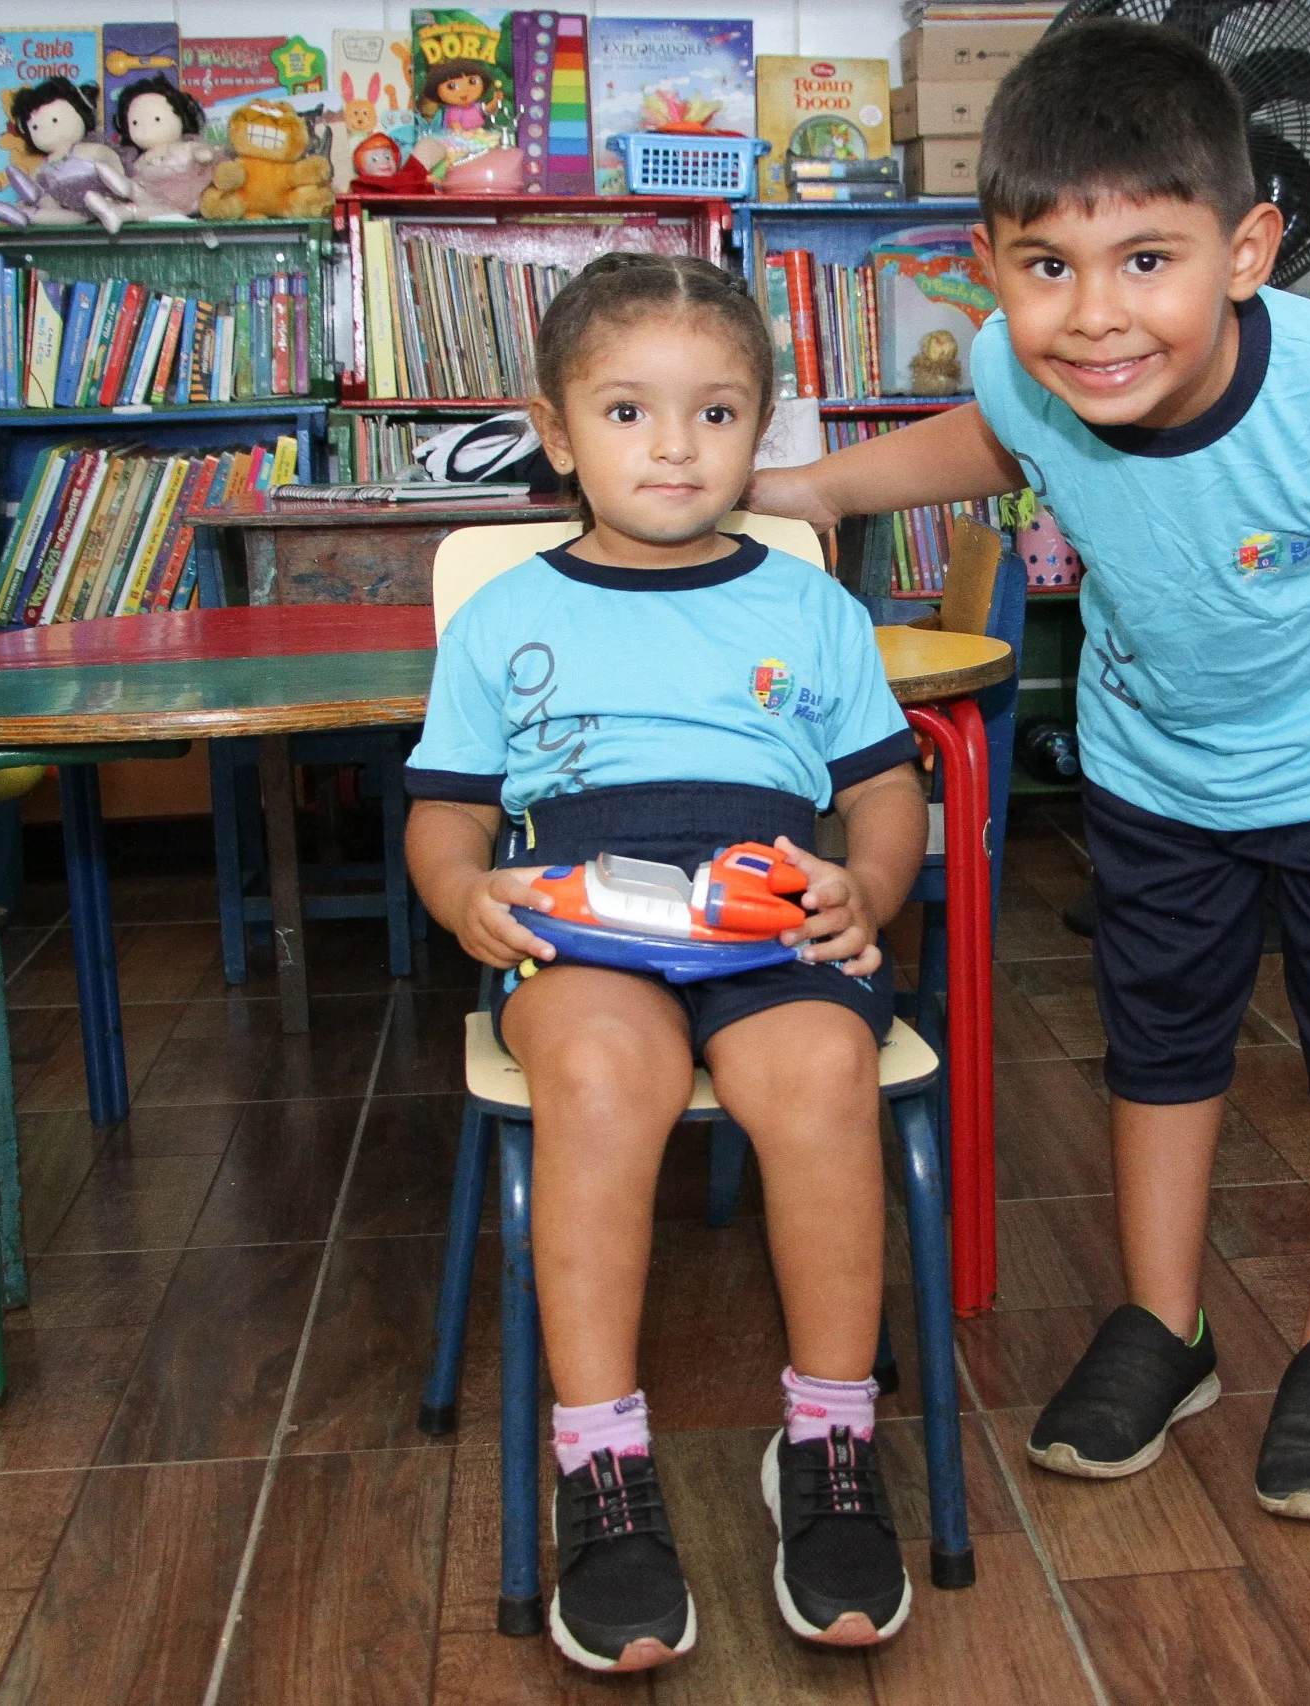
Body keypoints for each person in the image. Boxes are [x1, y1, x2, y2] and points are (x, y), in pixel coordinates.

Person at [749, 20, 1310, 1521]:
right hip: (1159, 782)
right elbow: (988, 439)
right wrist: (808, 485)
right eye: (1046, 266)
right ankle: (1161, 1318)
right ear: (988, 267)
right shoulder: (1029, 369)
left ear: (1248, 246)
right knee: (1160, 1042)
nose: (1094, 318)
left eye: (1148, 259)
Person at [404, 253, 927, 1672]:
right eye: (629, 412)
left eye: (717, 411)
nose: (677, 445)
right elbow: (443, 809)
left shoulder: (808, 605)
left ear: (764, 430)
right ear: (560, 433)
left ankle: (826, 1441)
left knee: (822, 1072)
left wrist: (866, 883)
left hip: (766, 912)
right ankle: (603, 1467)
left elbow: (884, 787)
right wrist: (468, 897)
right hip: (582, 924)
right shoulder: (507, 613)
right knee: (597, 1070)